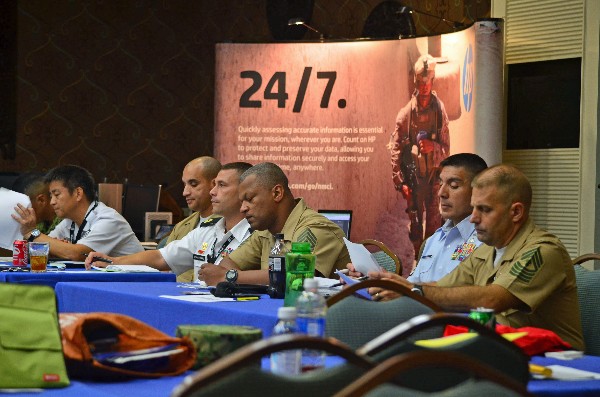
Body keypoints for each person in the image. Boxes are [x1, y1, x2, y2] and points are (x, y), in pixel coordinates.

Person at [368, 164, 584, 350]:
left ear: (516, 212)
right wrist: (398, 287)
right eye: (473, 208)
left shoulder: (543, 250)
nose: (473, 218)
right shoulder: (486, 251)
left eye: (485, 210)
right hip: (497, 351)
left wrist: (415, 291)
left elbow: (493, 300)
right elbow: (441, 290)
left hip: (556, 364)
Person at [85, 162, 253, 280]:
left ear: (244, 191)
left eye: (221, 185)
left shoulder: (258, 234)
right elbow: (161, 257)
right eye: (214, 185)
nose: (212, 192)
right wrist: (113, 261)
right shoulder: (208, 230)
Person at [199, 162, 350, 286]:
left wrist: (231, 277)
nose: (243, 208)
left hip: (323, 315)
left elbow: (295, 277)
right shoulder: (265, 231)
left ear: (277, 193)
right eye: (241, 202)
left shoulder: (315, 228)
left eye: (249, 199)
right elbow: (228, 262)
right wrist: (231, 274)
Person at [348, 153, 488, 283]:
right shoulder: (434, 240)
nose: (441, 193)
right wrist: (373, 278)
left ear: (478, 191)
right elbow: (412, 285)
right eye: (440, 184)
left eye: (453, 186)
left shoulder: (486, 242)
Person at [388, 54, 450, 257]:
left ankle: (429, 262)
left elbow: (447, 149)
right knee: (415, 228)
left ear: (432, 81)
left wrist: (434, 147)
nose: (424, 86)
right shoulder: (406, 114)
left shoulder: (439, 112)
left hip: (433, 178)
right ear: (416, 81)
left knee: (433, 225)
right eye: (421, 82)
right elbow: (395, 150)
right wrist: (400, 183)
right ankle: (417, 257)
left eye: (428, 81)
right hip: (414, 182)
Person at [12, 164, 143, 260]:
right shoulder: (69, 222)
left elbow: (77, 254)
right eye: (51, 196)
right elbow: (42, 249)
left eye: (56, 195)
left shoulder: (108, 219)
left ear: (78, 193)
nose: (52, 202)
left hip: (136, 284)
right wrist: (53, 248)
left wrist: (32, 233)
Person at [165, 156, 222, 244]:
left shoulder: (228, 224)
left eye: (193, 184)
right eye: (185, 185)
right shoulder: (181, 227)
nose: (185, 192)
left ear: (214, 184)